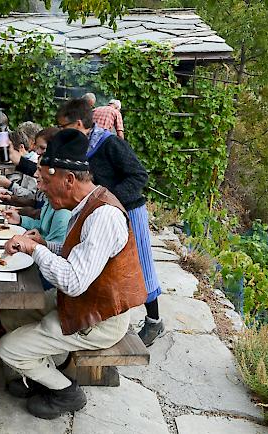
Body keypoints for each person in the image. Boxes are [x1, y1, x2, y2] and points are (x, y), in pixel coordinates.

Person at [0, 129, 147, 419]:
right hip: (83, 304)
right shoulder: (87, 203)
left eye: (47, 181)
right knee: (10, 315)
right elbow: (76, 254)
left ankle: (65, 391)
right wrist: (45, 244)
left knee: (9, 349)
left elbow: (75, 282)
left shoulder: (102, 215)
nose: (41, 189)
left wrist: (34, 250)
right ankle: (44, 371)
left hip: (99, 319)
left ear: (68, 179)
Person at [57, 98, 163, 346]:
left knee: (140, 267)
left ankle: (154, 322)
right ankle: (107, 317)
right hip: (102, 213)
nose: (61, 132)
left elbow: (139, 175)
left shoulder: (109, 143)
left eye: (63, 127)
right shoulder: (80, 146)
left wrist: (111, 200)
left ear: (80, 123)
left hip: (128, 211)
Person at [0, 130, 37, 197]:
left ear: (21, 147)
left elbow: (32, 196)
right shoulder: (26, 163)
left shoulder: (34, 163)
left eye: (8, 151)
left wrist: (9, 185)